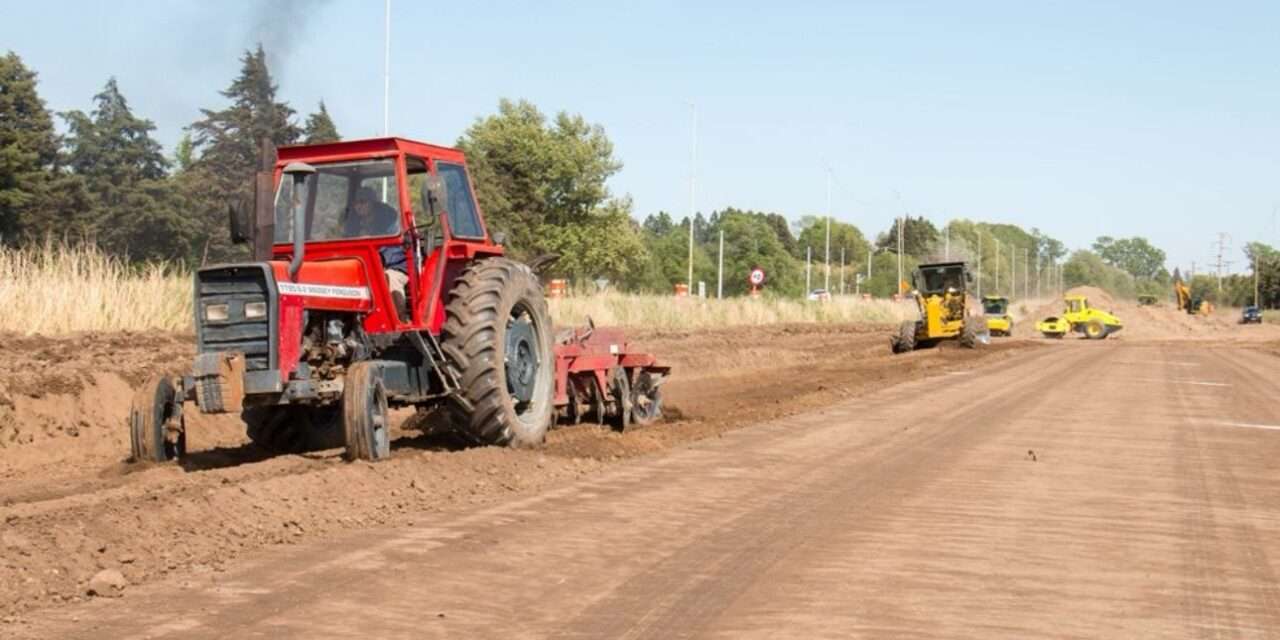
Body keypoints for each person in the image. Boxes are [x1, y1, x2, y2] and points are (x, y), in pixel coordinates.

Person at [346, 186, 410, 320]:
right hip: (365, 266)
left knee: (389, 278)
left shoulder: (390, 223)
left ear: (372, 204)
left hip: (395, 266)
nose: (359, 206)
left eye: (363, 202)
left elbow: (395, 250)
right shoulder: (353, 225)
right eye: (356, 202)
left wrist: (379, 255)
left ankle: (399, 319)